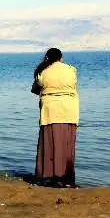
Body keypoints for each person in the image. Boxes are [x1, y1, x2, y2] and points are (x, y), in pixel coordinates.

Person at [31, 48, 79, 187]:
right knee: (67, 144)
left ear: (47, 58)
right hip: (69, 111)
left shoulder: (43, 71)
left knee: (48, 143)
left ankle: (46, 176)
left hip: (50, 111)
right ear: (61, 58)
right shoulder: (71, 70)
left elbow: (35, 88)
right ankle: (66, 178)